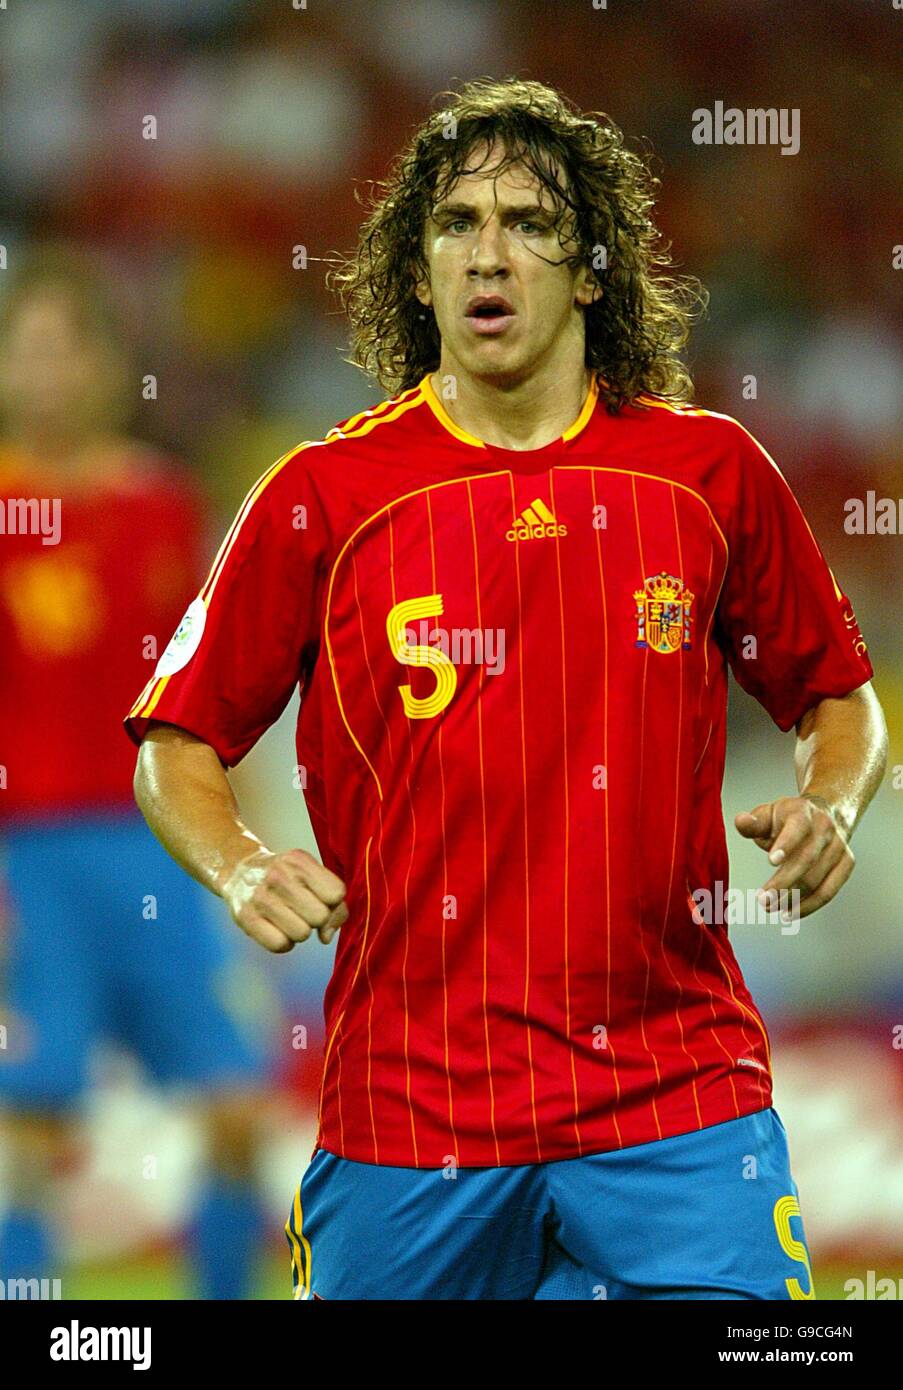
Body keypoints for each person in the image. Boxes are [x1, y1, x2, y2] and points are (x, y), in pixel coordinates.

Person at [127, 79, 887, 1300]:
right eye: (457, 223)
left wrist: (832, 804)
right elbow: (175, 738)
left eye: (529, 221)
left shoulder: (709, 474)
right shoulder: (323, 495)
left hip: (674, 1088)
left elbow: (839, 698)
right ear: (417, 274)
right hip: (409, 1105)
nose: (490, 252)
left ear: (589, 268)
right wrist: (241, 865)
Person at [0, 245, 274, 1299]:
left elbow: (203, 700)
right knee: (29, 1124)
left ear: (107, 365)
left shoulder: (161, 505)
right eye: (29, 351)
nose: (49, 374)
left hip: (155, 847)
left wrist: (239, 852)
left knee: (238, 1108)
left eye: (69, 350)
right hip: (29, 858)